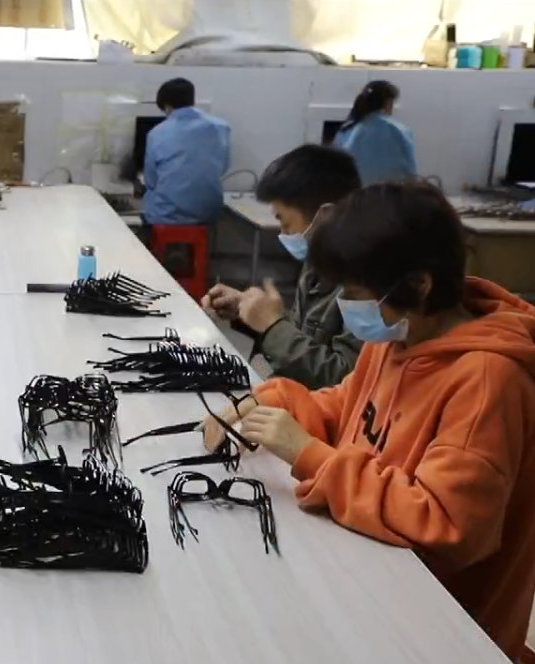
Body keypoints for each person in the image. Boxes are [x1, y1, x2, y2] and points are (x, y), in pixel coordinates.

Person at [203, 181, 535, 660]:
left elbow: (447, 525)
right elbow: (349, 407)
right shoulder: (400, 334)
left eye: (356, 294)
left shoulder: (487, 380)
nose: (347, 307)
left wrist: (310, 455)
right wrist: (274, 402)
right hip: (367, 575)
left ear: (419, 284)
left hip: (438, 630)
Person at [201, 144, 363, 389]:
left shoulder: (365, 282)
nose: (284, 234)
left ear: (326, 215)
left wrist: (271, 326)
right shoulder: (317, 264)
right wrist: (248, 312)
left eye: (286, 223)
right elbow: (305, 333)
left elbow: (344, 379)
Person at [141, 77, 231, 236]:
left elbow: (151, 181)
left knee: (147, 210)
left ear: (166, 106)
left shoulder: (157, 133)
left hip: (167, 215)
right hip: (208, 212)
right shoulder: (221, 127)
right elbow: (223, 167)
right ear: (192, 100)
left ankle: (152, 247)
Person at [333, 80, 417, 185]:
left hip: (353, 191)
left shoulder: (347, 128)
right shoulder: (397, 130)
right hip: (387, 192)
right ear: (388, 102)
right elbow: (410, 171)